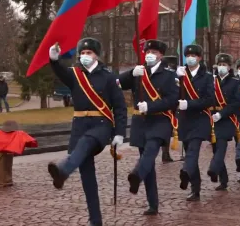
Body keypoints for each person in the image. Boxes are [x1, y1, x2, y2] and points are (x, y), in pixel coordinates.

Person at [46, 38, 127, 226]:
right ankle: (95, 220)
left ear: (96, 55)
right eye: (82, 53)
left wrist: (119, 133)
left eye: (88, 53)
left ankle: (64, 170)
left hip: (101, 125)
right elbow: (59, 71)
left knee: (85, 143)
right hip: (80, 125)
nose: (84, 56)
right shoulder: (75, 74)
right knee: (87, 177)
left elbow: (120, 107)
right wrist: (54, 58)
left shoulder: (108, 77)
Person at [119, 39, 178, 215]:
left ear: (161, 55)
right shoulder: (139, 72)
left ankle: (136, 174)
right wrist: (131, 73)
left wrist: (151, 106)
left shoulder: (169, 75)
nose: (150, 54)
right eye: (148, 51)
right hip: (141, 122)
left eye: (154, 51)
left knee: (151, 150)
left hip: (160, 121)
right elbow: (118, 84)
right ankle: (153, 203)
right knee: (149, 164)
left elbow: (172, 100)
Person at [176, 45, 214, 201]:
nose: (190, 57)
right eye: (188, 55)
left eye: (193, 55)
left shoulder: (206, 77)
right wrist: (177, 81)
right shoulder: (180, 75)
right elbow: (172, 95)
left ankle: (185, 171)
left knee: (193, 151)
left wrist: (190, 104)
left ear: (199, 58)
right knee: (190, 154)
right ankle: (195, 188)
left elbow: (210, 99)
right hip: (185, 120)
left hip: (200, 119)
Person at [207, 53, 240, 191]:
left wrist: (221, 114)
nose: (222, 67)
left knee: (221, 146)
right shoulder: (211, 81)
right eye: (220, 65)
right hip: (212, 119)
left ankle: (213, 169)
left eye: (224, 65)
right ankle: (223, 179)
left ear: (229, 67)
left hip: (227, 119)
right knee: (215, 148)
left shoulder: (235, 82)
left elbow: (236, 103)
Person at [161, 55, 179, 163]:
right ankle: (165, 154)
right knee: (167, 130)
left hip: (171, 107)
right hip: (169, 107)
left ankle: (165, 153)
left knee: (168, 130)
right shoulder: (171, 76)